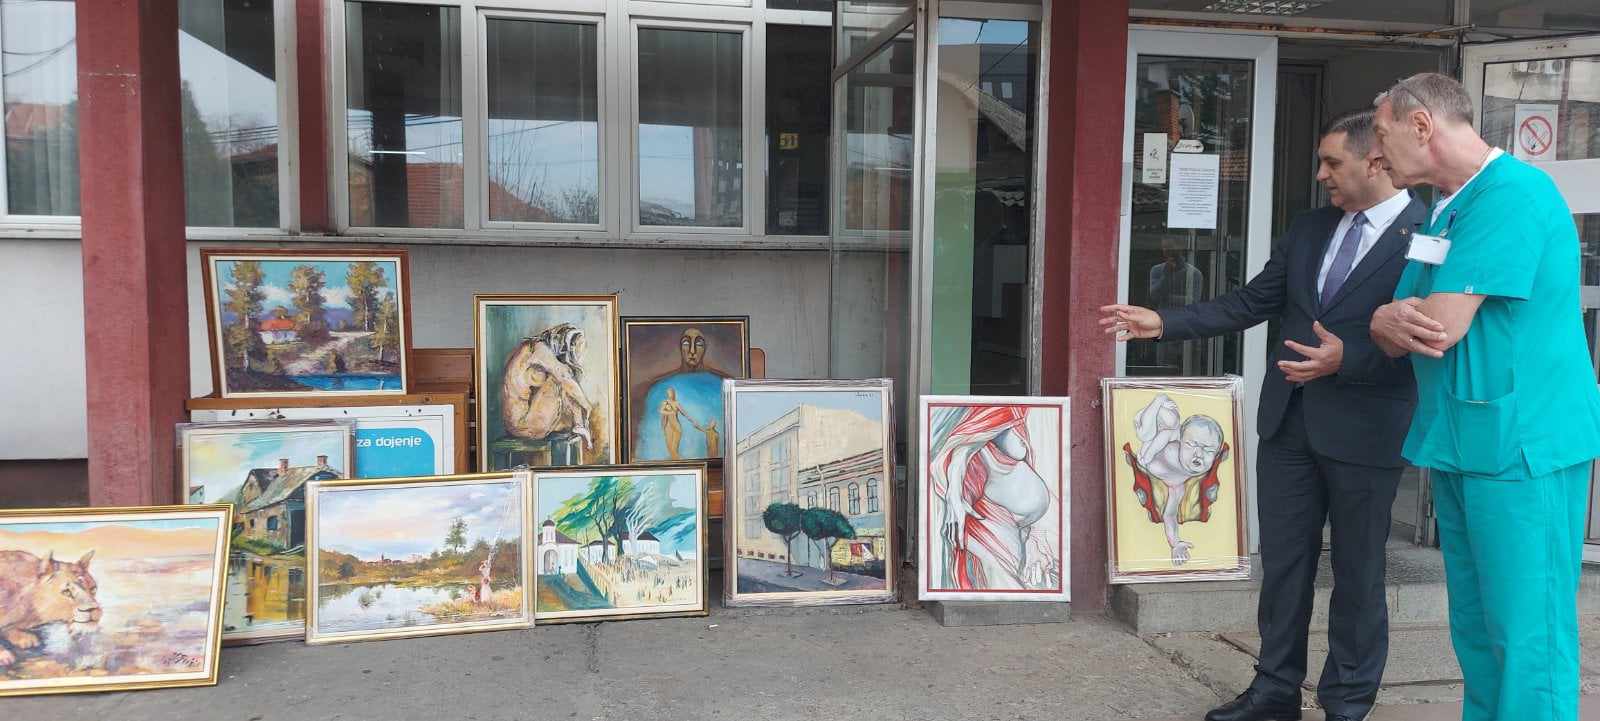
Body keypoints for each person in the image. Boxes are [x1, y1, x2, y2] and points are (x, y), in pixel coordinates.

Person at [1101, 109, 1426, 721]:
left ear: (1376, 161)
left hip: (1367, 429)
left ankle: (1347, 702)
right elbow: (1252, 301)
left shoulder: (1428, 234)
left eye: (1332, 162)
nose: (1321, 174)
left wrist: (1349, 359)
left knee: (1358, 572)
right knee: (1283, 568)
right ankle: (1274, 691)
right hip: (1289, 426)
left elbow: (1430, 338)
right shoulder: (1310, 228)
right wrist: (1164, 322)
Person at [1367, 73, 1600, 721]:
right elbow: (1393, 328)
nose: (1375, 154)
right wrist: (1386, 321)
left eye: (1381, 135)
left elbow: (1434, 326)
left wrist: (1389, 319)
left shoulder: (1513, 195)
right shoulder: (1449, 205)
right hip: (1466, 440)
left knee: (1527, 634)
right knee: (1477, 629)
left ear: (1421, 125)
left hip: (1523, 446)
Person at [927, 405, 1058, 591]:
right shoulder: (970, 461)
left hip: (1032, 529)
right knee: (1014, 584)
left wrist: (1036, 536)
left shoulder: (1025, 417)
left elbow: (967, 443)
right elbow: (963, 448)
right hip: (995, 524)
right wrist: (954, 496)